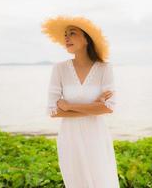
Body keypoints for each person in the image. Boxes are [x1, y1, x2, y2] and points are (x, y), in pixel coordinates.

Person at [41, 15, 120, 188]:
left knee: (103, 182)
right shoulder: (59, 69)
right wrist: (94, 106)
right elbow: (53, 111)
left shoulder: (104, 68)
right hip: (70, 138)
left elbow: (109, 108)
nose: (66, 38)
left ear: (86, 38)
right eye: (65, 35)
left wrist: (69, 106)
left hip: (96, 137)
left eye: (72, 33)